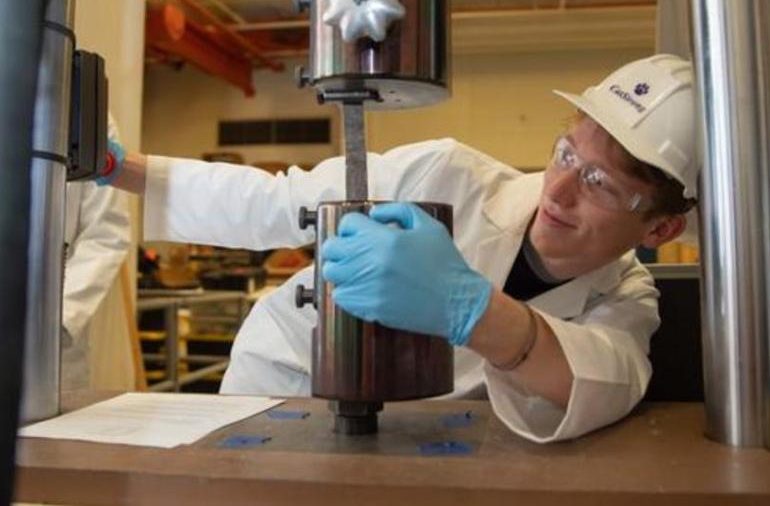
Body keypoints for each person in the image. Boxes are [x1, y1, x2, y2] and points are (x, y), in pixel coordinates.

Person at [104, 54, 698, 442]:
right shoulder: (447, 173)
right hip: (283, 386)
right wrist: (117, 168)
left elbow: (607, 381)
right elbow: (280, 203)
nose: (560, 190)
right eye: (567, 154)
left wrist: (471, 311)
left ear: (659, 231)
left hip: (424, 440)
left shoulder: (622, 296)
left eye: (600, 183)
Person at [63, 115, 133, 391]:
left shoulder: (84, 111)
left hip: (50, 335)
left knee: (44, 430)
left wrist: (60, 319)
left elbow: (106, 231)